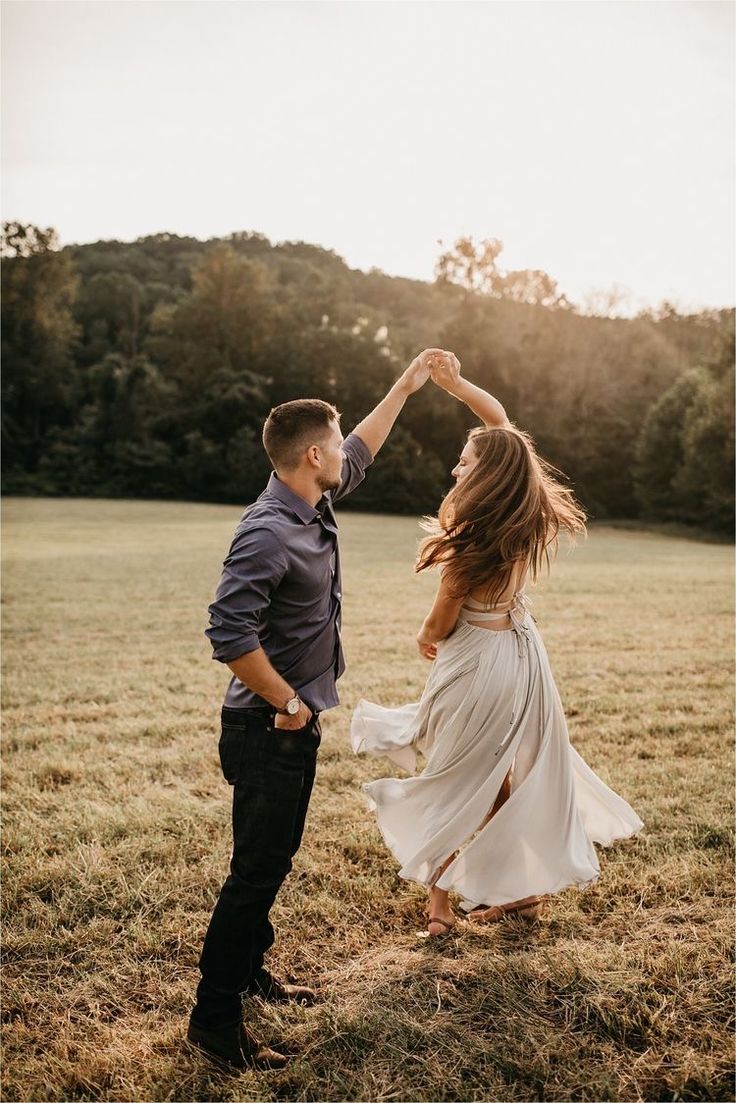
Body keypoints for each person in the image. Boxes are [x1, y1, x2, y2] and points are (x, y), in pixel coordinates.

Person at [187, 349, 440, 1070]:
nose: (345, 455)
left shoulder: (313, 498)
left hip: (280, 725)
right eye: (333, 444)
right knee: (257, 872)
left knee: (264, 859)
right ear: (309, 454)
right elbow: (228, 632)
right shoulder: (270, 529)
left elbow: (360, 448)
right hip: (269, 727)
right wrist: (290, 702)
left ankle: (251, 971)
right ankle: (213, 1018)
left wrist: (404, 384)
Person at [351, 352, 643, 938]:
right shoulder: (522, 511)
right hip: (521, 653)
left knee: (455, 774)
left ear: (486, 475)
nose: (455, 471)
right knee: (493, 773)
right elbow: (506, 430)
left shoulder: (470, 537)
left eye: (463, 463)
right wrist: (460, 389)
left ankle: (438, 907)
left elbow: (439, 623)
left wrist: (423, 637)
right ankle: (525, 890)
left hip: (479, 661)